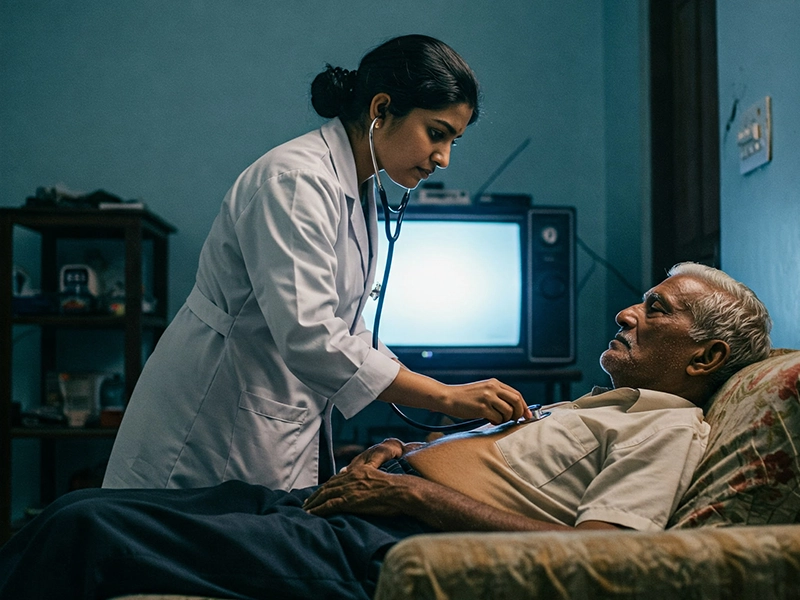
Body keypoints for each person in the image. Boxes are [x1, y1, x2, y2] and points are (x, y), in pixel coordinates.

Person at [0, 263, 772, 600]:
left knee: (88, 532)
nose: (627, 312)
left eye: (657, 310)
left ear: (704, 356)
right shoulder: (600, 406)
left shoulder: (668, 428)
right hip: (360, 505)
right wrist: (399, 452)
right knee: (70, 511)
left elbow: (605, 558)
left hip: (383, 549)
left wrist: (410, 497)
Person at [102, 34, 531, 492]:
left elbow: (346, 327)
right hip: (209, 424)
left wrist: (433, 389)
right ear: (380, 110)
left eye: (453, 141)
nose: (443, 158)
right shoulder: (295, 182)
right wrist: (444, 397)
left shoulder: (357, 185)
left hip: (269, 415)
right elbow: (311, 335)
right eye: (437, 133)